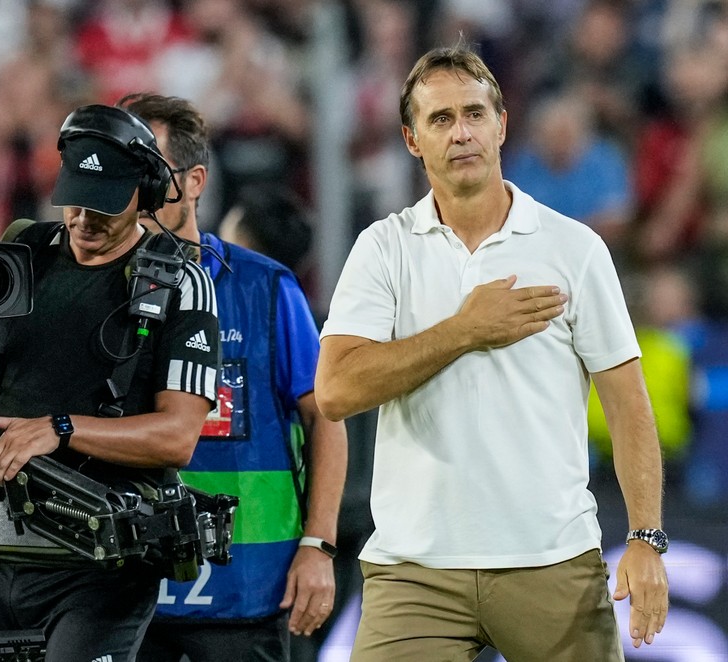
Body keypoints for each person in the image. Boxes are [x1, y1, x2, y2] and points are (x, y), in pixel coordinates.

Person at [314, 45, 669, 661]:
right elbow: (336, 391)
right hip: (414, 569)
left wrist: (645, 537)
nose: (462, 133)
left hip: (551, 558)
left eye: (474, 114)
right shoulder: (382, 248)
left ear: (502, 124)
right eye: (441, 119)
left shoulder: (574, 248)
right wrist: (464, 330)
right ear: (411, 140)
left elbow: (627, 404)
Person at [0, 103, 221, 662]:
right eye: (76, 196)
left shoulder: (180, 282)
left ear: (147, 192)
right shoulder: (17, 257)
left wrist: (59, 429)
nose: (85, 217)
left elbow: (177, 436)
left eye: (104, 202)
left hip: (100, 569)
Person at [118, 92, 348, 661]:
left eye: (153, 172)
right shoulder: (93, 288)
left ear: (195, 181)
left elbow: (327, 416)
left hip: (246, 592)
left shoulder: (264, 287)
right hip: (122, 595)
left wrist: (319, 546)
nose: (135, 192)